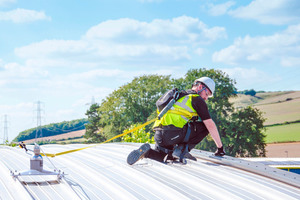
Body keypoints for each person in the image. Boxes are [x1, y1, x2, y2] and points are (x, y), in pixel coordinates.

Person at [127, 77, 225, 165]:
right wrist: (220, 148)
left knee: (168, 158)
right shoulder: (196, 99)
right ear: (200, 87)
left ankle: (148, 152)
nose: (206, 98)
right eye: (206, 94)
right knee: (205, 126)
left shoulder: (179, 96)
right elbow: (210, 125)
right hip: (171, 134)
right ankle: (182, 150)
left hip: (159, 135)